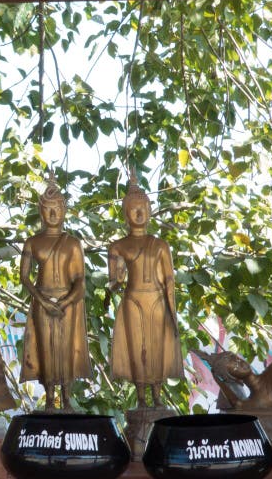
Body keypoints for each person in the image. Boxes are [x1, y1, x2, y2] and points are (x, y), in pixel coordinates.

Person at [108, 174, 182, 408]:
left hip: (157, 300)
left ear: (149, 211)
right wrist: (116, 279)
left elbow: (169, 280)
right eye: (133, 209)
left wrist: (173, 313)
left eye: (143, 208)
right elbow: (114, 281)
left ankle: (157, 397)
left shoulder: (160, 245)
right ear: (125, 214)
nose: (139, 213)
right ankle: (141, 397)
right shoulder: (118, 246)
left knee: (157, 348)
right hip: (133, 301)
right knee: (137, 347)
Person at [19, 179, 91, 411]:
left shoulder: (72, 243)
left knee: (66, 348)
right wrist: (41, 301)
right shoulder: (33, 242)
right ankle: (50, 398)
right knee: (46, 350)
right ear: (41, 211)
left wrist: (68, 300)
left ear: (64, 211)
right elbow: (25, 277)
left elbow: (80, 279)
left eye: (57, 209)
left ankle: (67, 398)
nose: (52, 214)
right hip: (42, 300)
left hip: (67, 301)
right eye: (48, 209)